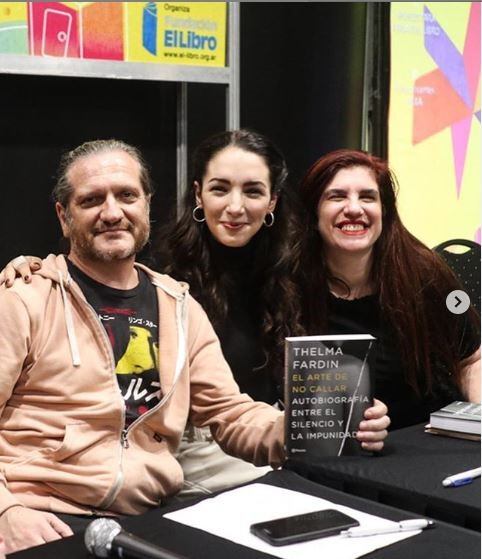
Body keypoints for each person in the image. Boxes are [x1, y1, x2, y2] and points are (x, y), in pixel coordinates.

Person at [0, 140, 389, 553]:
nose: (112, 212)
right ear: (64, 217)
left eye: (127, 195)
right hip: (40, 513)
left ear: (147, 204)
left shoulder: (179, 306)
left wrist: (316, 423)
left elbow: (229, 413)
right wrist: (6, 511)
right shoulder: (23, 297)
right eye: (92, 199)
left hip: (141, 520)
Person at [297, 148, 480, 430]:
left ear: (385, 210)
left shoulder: (430, 274)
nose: (354, 208)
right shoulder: (287, 283)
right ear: (313, 211)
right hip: (332, 449)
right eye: (337, 196)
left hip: (422, 440)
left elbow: (474, 358)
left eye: (368, 196)